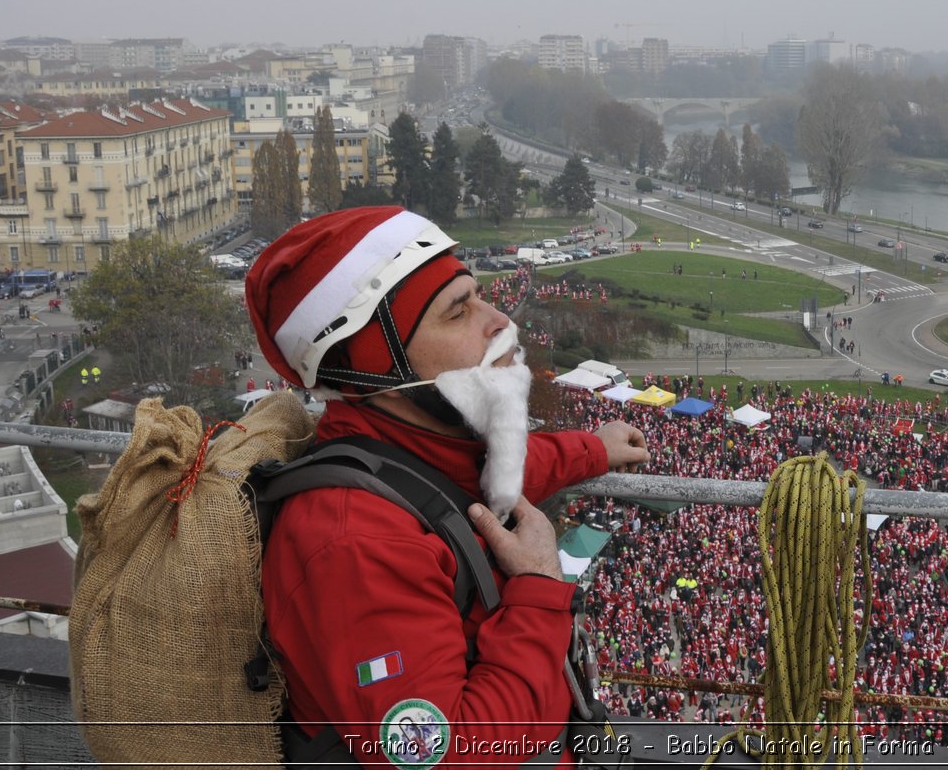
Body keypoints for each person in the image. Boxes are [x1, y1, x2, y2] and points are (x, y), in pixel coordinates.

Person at [247, 207, 651, 765]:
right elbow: (447, 756)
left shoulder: (416, 448)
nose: (500, 320)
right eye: (459, 312)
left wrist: (593, 449)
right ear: (376, 366)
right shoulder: (354, 545)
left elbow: (474, 478)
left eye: (478, 296)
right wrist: (537, 588)